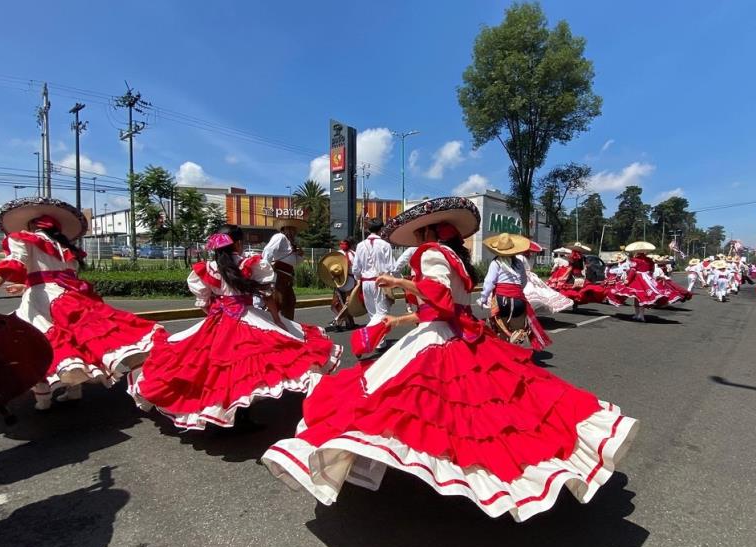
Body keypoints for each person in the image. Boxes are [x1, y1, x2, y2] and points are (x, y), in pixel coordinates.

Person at [261, 196, 638, 522]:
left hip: (441, 339)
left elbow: (437, 299)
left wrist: (401, 284)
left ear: (426, 234)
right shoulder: (454, 259)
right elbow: (445, 308)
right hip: (456, 332)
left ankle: (435, 474)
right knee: (487, 408)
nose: (417, 244)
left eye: (420, 237)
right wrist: (399, 318)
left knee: (405, 404)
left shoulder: (430, 255)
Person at [130, 225, 341, 430]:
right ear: (238, 244)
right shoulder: (250, 263)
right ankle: (239, 414)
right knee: (249, 368)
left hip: (219, 317)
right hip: (247, 317)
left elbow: (204, 301)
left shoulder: (209, 268)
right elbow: (268, 296)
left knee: (211, 368)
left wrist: (215, 316)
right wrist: (277, 320)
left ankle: (219, 411)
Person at [0, 198, 163, 410]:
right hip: (70, 295)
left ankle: (43, 398)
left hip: (41, 299)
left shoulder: (22, 238)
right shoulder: (64, 248)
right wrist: (25, 286)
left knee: (34, 342)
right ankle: (73, 390)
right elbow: (57, 275)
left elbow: (14, 264)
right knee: (76, 340)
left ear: (31, 226)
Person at [478, 233, 551, 350]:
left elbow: (489, 282)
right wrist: (516, 291)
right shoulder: (519, 263)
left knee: (502, 330)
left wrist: (483, 298)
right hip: (518, 300)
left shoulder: (495, 263)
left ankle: (506, 355)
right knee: (518, 330)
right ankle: (518, 354)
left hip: (501, 300)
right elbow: (523, 281)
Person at [354, 218, 396, 346]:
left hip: (365, 282)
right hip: (381, 280)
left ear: (368, 229)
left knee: (373, 313)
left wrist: (358, 280)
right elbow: (391, 267)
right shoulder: (385, 245)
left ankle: (378, 341)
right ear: (381, 230)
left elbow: (356, 268)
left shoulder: (360, 245)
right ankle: (365, 336)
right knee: (382, 312)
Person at [262, 217, 307, 320]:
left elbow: (295, 262)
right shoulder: (280, 237)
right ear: (285, 229)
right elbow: (268, 252)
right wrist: (265, 273)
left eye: (295, 230)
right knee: (280, 303)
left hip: (287, 279)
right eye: (292, 229)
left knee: (289, 303)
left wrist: (300, 255)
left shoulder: (290, 243)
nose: (294, 232)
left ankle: (288, 330)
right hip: (279, 278)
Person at [320, 242, 357, 331]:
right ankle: (342, 321)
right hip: (350, 281)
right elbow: (357, 268)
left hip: (338, 281)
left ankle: (345, 321)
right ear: (351, 245)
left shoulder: (337, 253)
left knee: (339, 303)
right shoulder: (354, 254)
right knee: (348, 303)